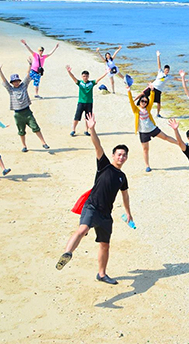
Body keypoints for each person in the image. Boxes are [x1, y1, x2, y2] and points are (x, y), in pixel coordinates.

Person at [55, 113, 133, 285]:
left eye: (124, 155)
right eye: (119, 154)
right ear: (113, 155)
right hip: (92, 207)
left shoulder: (122, 177)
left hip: (106, 215)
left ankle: (102, 274)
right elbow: (97, 145)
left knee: (105, 245)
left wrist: (128, 213)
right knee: (82, 229)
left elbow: (125, 195)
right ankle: (67, 253)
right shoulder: (104, 165)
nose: (121, 157)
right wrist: (92, 129)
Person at [0, 62, 50, 152]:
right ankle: (24, 146)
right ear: (12, 83)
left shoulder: (23, 86)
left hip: (27, 112)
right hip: (17, 114)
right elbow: (4, 81)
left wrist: (29, 65)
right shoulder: (11, 89)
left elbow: (27, 76)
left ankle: (44, 143)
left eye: (17, 81)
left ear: (19, 81)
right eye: (14, 82)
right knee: (21, 131)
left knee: (35, 127)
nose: (16, 83)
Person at [127, 82, 178, 172]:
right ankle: (147, 166)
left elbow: (152, 99)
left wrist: (152, 90)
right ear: (140, 102)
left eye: (146, 102)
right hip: (143, 132)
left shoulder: (148, 108)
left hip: (152, 128)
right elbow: (131, 101)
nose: (144, 103)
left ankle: (180, 143)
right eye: (142, 101)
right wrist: (129, 91)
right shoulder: (136, 109)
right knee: (145, 149)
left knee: (165, 137)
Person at [66, 66, 109, 136]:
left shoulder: (91, 83)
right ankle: (73, 130)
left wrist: (106, 73)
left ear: (88, 76)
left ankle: (86, 130)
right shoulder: (80, 83)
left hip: (89, 103)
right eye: (83, 76)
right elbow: (73, 77)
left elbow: (98, 79)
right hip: (81, 102)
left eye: (86, 76)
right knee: (77, 117)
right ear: (82, 77)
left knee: (88, 118)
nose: (85, 77)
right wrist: (69, 71)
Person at [146, 50, 170, 118]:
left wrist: (183, 80)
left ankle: (158, 114)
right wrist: (158, 56)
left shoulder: (168, 77)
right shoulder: (160, 72)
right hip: (153, 87)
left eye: (168, 70)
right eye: (166, 70)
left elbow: (176, 79)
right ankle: (136, 103)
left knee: (158, 103)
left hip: (159, 90)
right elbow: (159, 64)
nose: (167, 71)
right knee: (144, 95)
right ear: (164, 69)